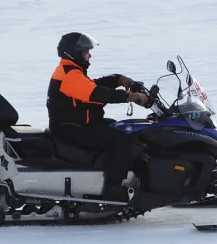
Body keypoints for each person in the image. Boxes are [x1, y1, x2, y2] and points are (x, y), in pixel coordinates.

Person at [46, 31, 148, 202]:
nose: (89, 55)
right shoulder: (68, 75)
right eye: (86, 52)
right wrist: (129, 97)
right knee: (121, 140)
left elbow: (92, 84)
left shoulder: (71, 71)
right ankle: (112, 188)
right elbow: (96, 93)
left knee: (120, 127)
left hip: (78, 124)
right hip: (72, 128)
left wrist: (120, 80)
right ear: (74, 53)